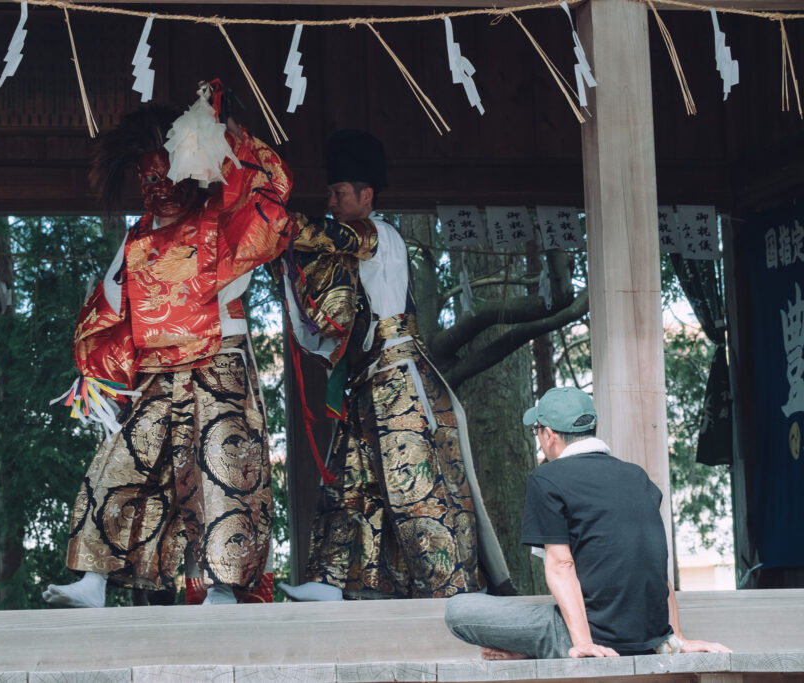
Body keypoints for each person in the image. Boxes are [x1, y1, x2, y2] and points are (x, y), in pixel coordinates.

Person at [42, 88, 292, 608]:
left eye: (167, 175)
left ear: (188, 172)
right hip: (159, 372)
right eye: (148, 180)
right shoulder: (136, 238)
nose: (159, 188)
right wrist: (99, 373)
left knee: (223, 471)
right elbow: (111, 308)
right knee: (121, 463)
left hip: (218, 360)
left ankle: (224, 587)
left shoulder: (219, 218)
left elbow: (268, 198)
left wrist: (230, 136)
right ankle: (94, 579)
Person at [280, 130, 510, 601]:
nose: (331, 201)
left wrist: (274, 221)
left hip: (399, 377)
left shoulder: (377, 234)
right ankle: (331, 579)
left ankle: (455, 584)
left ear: (366, 195)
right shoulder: (350, 247)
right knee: (350, 481)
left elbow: (323, 237)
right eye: (329, 193)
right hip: (368, 380)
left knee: (416, 482)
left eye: (339, 193)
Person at [444, 386, 731, 659]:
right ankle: (543, 647)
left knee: (459, 609)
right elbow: (653, 561)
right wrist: (676, 639)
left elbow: (561, 564)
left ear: (549, 435)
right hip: (650, 640)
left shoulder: (547, 478)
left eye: (537, 431)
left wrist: (583, 644)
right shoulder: (637, 476)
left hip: (594, 637)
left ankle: (556, 646)